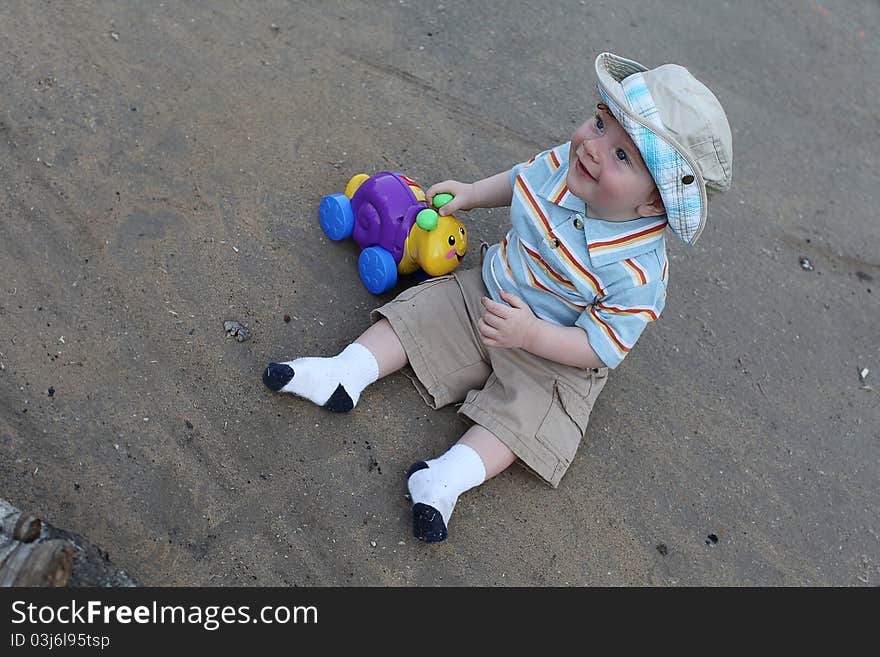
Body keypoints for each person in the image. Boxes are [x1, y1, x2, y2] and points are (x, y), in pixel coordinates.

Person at [263, 52, 733, 543]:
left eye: (622, 155)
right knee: (423, 312)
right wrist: (470, 193)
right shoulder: (565, 165)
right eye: (599, 123)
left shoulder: (638, 272)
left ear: (654, 201)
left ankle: (444, 480)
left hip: (558, 354)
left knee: (525, 416)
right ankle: (345, 371)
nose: (593, 147)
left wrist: (532, 335)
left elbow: (600, 346)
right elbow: (519, 179)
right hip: (495, 291)